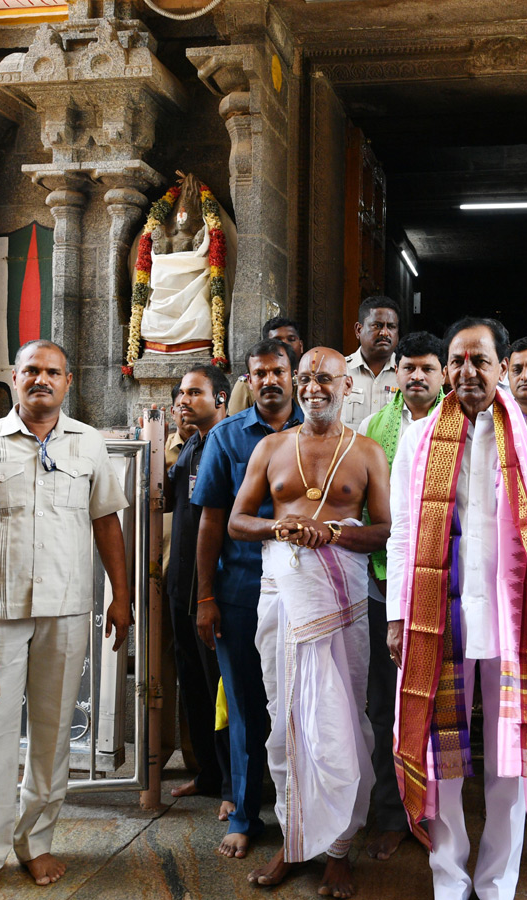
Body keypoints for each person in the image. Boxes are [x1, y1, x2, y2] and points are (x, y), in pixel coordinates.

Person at [386, 317, 527, 900]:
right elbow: (403, 534)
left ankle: (498, 883)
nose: (466, 371)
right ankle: (448, 881)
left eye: (479, 360)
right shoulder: (418, 439)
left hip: (512, 624)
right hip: (439, 622)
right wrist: (398, 618)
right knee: (442, 758)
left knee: (509, 760)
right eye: (457, 360)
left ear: (503, 367)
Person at [0, 340, 131, 899]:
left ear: (68, 381)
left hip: (66, 607)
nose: (41, 379)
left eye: (52, 372)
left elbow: (107, 521)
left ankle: (36, 842)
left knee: (54, 733)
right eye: (31, 370)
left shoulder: (87, 444)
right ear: (14, 378)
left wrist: (121, 595)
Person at [228, 347, 391, 897]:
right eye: (305, 379)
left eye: (324, 378)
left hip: (342, 596)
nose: (312, 387)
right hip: (284, 592)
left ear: (347, 385)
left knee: (343, 717)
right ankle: (295, 843)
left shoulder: (367, 452)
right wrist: (283, 530)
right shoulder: (272, 448)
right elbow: (237, 521)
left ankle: (340, 849)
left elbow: (386, 530)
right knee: (286, 718)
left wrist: (337, 532)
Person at [191, 339, 303, 859]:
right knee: (245, 707)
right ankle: (243, 814)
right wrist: (206, 597)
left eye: (278, 371)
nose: (269, 381)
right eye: (259, 374)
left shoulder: (320, 433)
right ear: (248, 380)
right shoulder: (228, 438)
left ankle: (303, 811)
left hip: (309, 592)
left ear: (294, 375)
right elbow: (211, 521)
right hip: (239, 591)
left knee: (305, 705)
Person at [358, 331, 447, 861]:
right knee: (384, 704)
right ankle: (391, 813)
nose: (415, 377)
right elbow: (373, 512)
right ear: (394, 375)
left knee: (440, 702)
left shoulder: (460, 423)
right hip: (383, 583)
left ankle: (436, 811)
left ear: (441, 375)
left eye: (426, 369)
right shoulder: (374, 427)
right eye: (407, 368)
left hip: (442, 587)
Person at [165, 364, 234, 817]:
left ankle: (233, 785)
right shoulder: (191, 445)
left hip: (215, 587)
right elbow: (170, 501)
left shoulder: (230, 444)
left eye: (194, 393)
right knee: (191, 680)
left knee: (222, 692)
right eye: (181, 395)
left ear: (221, 399)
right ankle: (206, 773)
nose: (184, 401)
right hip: (180, 583)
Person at [343, 295, 401, 430]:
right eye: (377, 326)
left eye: (391, 327)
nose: (385, 333)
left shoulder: (406, 374)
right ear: (358, 330)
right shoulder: (340, 371)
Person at [227, 316, 305, 415]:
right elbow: (235, 424)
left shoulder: (311, 382)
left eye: (291, 339)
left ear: (301, 346)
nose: (285, 344)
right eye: (277, 340)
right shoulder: (246, 385)